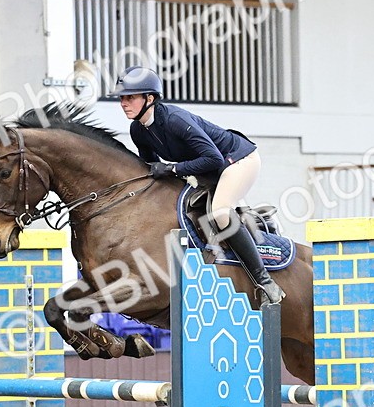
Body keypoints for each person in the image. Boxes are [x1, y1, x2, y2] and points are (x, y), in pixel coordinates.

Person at [112, 65, 284, 305]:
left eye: (130, 97)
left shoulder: (174, 120)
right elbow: (152, 167)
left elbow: (213, 157)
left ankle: (265, 283)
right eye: (122, 98)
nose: (123, 103)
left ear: (149, 98)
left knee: (220, 212)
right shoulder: (137, 130)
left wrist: (173, 168)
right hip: (209, 168)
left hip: (236, 159)